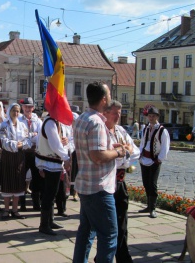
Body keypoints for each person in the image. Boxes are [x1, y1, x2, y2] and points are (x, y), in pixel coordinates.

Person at [73, 82, 125, 263]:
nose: (110, 97)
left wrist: (110, 147)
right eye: (109, 94)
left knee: (86, 233)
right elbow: (97, 156)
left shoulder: (82, 118)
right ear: (104, 99)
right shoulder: (96, 123)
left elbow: (91, 150)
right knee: (110, 235)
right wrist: (118, 152)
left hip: (86, 185)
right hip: (99, 189)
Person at [102, 100, 140, 263]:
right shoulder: (102, 131)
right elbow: (107, 158)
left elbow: (136, 153)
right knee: (108, 226)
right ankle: (103, 256)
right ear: (106, 113)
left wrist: (123, 152)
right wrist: (123, 153)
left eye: (120, 112)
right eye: (115, 113)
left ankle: (123, 257)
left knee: (122, 223)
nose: (118, 116)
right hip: (106, 183)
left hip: (120, 182)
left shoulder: (121, 130)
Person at [35, 110, 71, 235]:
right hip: (49, 162)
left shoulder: (56, 122)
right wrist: (66, 158)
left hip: (53, 162)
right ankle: (44, 224)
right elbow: (55, 144)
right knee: (49, 194)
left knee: (52, 193)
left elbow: (59, 141)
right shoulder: (50, 122)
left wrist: (65, 141)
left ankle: (50, 221)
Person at [0, 103, 32, 219]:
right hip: (8, 156)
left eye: (18, 111)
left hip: (19, 156)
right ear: (9, 111)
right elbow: (3, 140)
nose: (16, 113)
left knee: (18, 181)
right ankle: (6, 209)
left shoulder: (23, 125)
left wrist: (22, 144)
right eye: (14, 111)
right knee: (8, 181)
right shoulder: (4, 125)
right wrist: (15, 145)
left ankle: (15, 209)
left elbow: (28, 140)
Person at [138, 106, 170, 219]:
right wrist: (140, 154)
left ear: (157, 117)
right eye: (149, 116)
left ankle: (153, 208)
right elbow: (143, 142)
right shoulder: (146, 128)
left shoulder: (162, 130)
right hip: (144, 159)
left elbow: (165, 147)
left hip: (154, 160)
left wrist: (159, 159)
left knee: (152, 183)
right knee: (146, 183)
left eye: (153, 116)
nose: (151, 118)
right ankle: (148, 206)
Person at [18, 97, 43, 211]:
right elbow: (21, 136)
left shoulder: (37, 120)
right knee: (22, 177)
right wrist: (32, 134)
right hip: (23, 151)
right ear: (22, 108)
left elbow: (40, 135)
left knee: (36, 177)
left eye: (30, 107)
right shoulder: (19, 120)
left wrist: (31, 135)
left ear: (33, 108)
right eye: (25, 106)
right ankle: (22, 204)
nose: (27, 109)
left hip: (34, 151)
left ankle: (36, 203)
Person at [69, 105, 81, 202]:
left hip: (77, 153)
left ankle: (75, 192)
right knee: (69, 172)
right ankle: (68, 190)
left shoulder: (79, 129)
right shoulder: (67, 128)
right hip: (68, 153)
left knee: (76, 172)